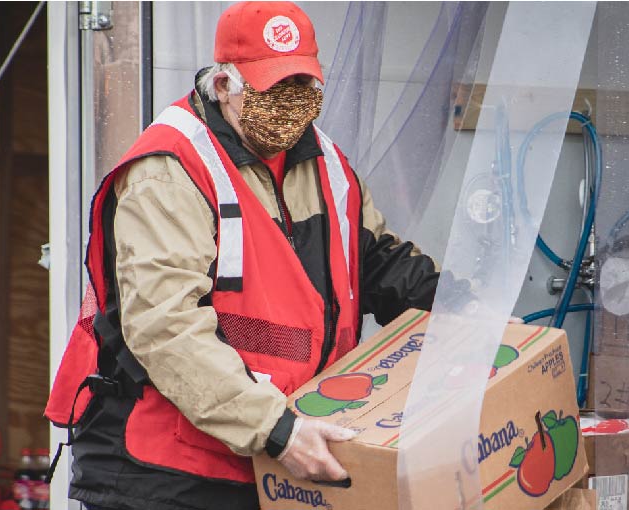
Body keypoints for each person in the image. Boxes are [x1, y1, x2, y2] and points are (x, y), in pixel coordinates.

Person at [44, 3, 441, 509]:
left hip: (273, 461)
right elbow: (164, 327)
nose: (287, 106)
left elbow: (379, 265)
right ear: (223, 85)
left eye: (301, 88)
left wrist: (466, 308)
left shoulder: (326, 164)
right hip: (169, 471)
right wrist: (275, 429)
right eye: (270, 89)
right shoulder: (169, 169)